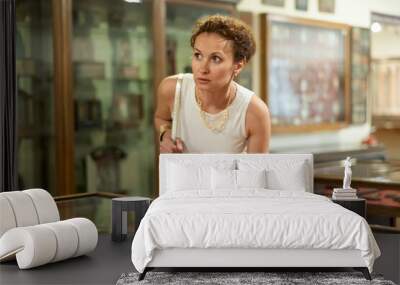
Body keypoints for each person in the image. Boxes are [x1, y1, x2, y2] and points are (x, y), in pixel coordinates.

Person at [155, 15, 271, 153]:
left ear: (238, 66)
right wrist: (165, 134)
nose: (202, 69)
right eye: (198, 55)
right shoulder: (172, 89)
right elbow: (161, 118)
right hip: (177, 175)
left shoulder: (255, 112)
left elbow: (255, 171)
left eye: (215, 58)